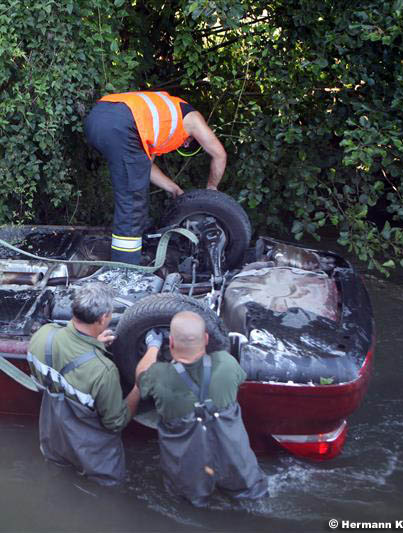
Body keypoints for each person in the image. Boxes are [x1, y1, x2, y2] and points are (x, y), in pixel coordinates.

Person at [135, 311, 267, 506]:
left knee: (188, 504)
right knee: (254, 500)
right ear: (205, 338)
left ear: (171, 343)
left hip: (189, 477)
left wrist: (153, 346)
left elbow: (141, 376)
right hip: (238, 468)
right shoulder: (227, 363)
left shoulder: (158, 376)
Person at [27, 283, 151, 486]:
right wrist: (139, 385)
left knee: (60, 483)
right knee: (105, 497)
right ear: (103, 318)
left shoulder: (43, 335)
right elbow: (116, 422)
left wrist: (93, 346)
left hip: (53, 443)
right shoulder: (103, 371)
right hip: (96, 462)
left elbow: (52, 375)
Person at [84, 91, 227, 265]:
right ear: (190, 141)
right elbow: (219, 155)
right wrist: (212, 191)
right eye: (186, 143)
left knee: (133, 190)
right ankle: (125, 268)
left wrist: (174, 189)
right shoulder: (193, 119)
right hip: (122, 124)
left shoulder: (162, 115)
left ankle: (131, 252)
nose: (184, 144)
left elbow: (145, 167)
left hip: (98, 117)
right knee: (132, 201)